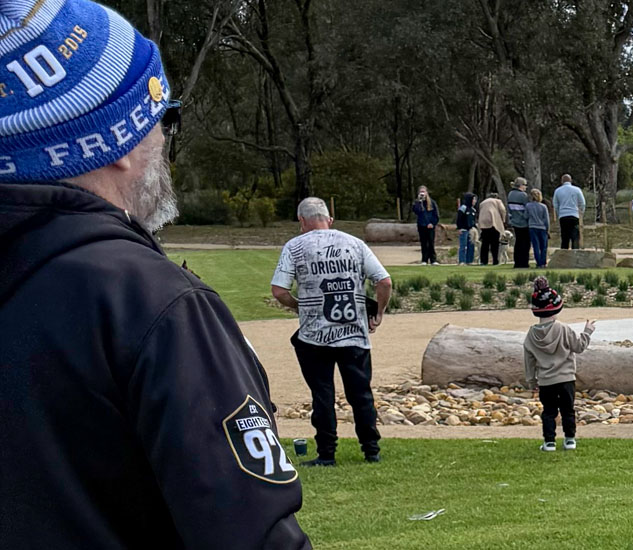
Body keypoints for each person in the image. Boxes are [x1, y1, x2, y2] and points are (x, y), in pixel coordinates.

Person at [0, 1, 310, 546]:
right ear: (114, 140)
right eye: (164, 116)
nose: (166, 141)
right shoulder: (151, 304)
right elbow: (251, 535)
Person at [271, 198, 392, 467]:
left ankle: (327, 452)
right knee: (361, 394)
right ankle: (370, 449)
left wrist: (299, 307)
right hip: (354, 332)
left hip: (315, 334)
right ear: (330, 220)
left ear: (301, 222)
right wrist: (379, 312)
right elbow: (383, 281)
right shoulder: (355, 244)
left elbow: (279, 290)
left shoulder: (295, 246)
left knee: (322, 394)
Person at [523, 277, 595, 451]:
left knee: (548, 412)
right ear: (556, 308)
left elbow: (529, 362)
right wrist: (587, 332)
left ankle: (549, 442)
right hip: (566, 378)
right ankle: (570, 439)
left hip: (546, 381)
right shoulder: (563, 328)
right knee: (567, 410)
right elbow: (579, 347)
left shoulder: (530, 336)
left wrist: (532, 382)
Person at [553, 173, 586, 249]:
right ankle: (575, 254)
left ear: (562, 181)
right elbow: (582, 203)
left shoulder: (557, 191)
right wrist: (581, 213)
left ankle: (564, 254)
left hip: (563, 216)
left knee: (564, 238)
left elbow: (555, 205)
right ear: (571, 180)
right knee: (575, 237)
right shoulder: (577, 190)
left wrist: (559, 214)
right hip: (574, 215)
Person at [412, 185, 440, 265]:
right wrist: (419, 202)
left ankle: (433, 260)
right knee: (423, 243)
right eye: (421, 192)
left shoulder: (432, 203)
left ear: (427, 192)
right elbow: (416, 211)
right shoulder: (417, 202)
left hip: (430, 226)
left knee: (431, 243)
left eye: (423, 192)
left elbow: (436, 215)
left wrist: (432, 223)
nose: (422, 193)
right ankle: (424, 259)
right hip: (421, 225)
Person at [507, 178, 531, 268]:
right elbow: (527, 209)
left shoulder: (510, 194)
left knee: (518, 243)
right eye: (525, 185)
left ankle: (517, 262)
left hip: (514, 221)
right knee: (526, 243)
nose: (525, 187)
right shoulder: (523, 195)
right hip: (523, 222)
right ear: (521, 186)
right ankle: (524, 262)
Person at [478, 192, 507, 265]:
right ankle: (495, 260)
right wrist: (503, 220)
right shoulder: (498, 201)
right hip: (493, 222)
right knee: (495, 243)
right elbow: (503, 210)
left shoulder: (482, 203)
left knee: (485, 243)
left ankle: (483, 261)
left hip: (483, 223)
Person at [527, 188, 552, 268]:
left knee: (536, 246)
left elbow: (525, 216)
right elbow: (546, 219)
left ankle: (538, 263)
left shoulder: (528, 206)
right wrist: (548, 229)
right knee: (543, 247)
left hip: (532, 227)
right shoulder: (543, 206)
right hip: (542, 228)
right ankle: (543, 262)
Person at [457, 192, 478, 265]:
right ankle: (462, 261)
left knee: (471, 246)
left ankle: (469, 260)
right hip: (464, 229)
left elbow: (473, 220)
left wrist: (475, 228)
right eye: (473, 199)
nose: (475, 201)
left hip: (471, 230)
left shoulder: (473, 210)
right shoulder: (463, 208)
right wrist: (459, 228)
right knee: (463, 246)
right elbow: (459, 218)